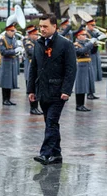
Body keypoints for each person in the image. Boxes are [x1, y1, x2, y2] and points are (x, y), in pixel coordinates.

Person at [28, 14, 76, 165]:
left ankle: (44, 153)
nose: (42, 29)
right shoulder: (38, 43)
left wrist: (66, 90)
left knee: (51, 122)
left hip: (58, 91)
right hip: (42, 91)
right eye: (40, 26)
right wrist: (31, 90)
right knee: (51, 123)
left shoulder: (65, 44)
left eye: (45, 26)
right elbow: (33, 68)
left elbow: (71, 69)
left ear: (54, 27)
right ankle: (56, 154)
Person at [0, 22, 22, 106]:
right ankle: (5, 100)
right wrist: (14, 51)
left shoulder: (13, 38)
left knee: (10, 82)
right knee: (5, 81)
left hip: (12, 62)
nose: (13, 32)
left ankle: (8, 99)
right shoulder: (3, 39)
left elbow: (15, 47)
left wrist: (18, 51)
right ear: (7, 31)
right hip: (6, 62)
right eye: (12, 31)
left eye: (14, 31)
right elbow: (3, 51)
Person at [73, 27, 95, 112]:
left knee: (85, 85)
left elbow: (92, 52)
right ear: (78, 36)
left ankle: (82, 104)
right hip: (80, 66)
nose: (85, 36)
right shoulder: (75, 44)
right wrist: (90, 43)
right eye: (83, 35)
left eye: (85, 34)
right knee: (80, 86)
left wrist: (94, 45)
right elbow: (80, 51)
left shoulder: (85, 43)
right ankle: (79, 105)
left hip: (87, 65)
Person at [24, 26, 43, 115]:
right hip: (31, 66)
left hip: (37, 67)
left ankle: (36, 107)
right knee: (32, 87)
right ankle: (33, 107)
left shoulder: (37, 43)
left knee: (37, 87)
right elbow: (32, 53)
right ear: (30, 35)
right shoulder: (29, 43)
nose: (37, 36)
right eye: (35, 35)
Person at [85, 18, 102, 99]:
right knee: (90, 74)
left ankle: (91, 92)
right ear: (88, 25)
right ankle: (89, 93)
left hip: (94, 53)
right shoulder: (85, 33)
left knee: (93, 74)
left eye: (94, 25)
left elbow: (103, 35)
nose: (94, 27)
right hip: (89, 54)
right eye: (92, 25)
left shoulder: (93, 32)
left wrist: (98, 35)